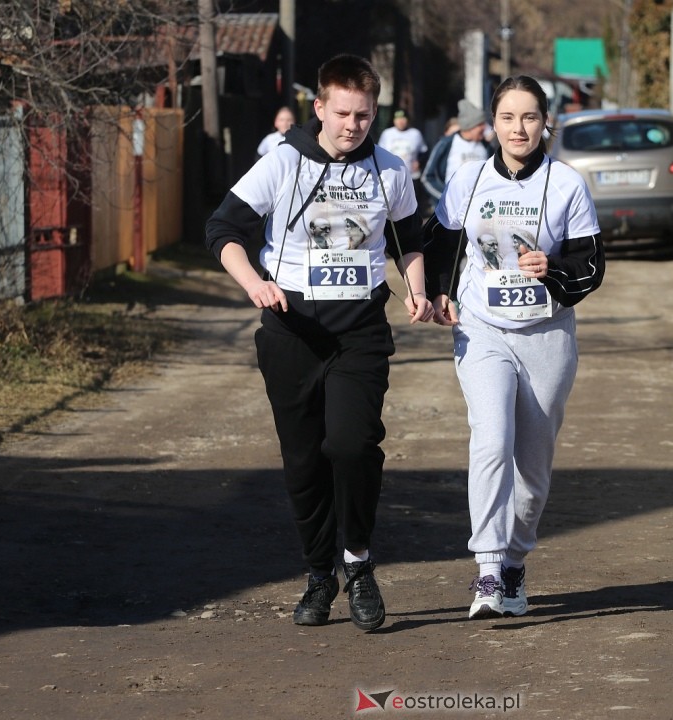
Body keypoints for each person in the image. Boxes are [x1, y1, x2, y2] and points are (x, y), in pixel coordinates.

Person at [205, 54, 434, 632]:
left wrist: (416, 290)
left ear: (375, 112)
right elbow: (223, 229)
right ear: (319, 108)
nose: (353, 125)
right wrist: (255, 282)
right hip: (292, 331)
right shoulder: (283, 163)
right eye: (342, 113)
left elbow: (409, 239)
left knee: (352, 446)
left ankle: (357, 562)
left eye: (363, 114)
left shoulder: (389, 170)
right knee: (304, 461)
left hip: (359, 331)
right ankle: (318, 575)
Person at [423, 76, 605, 620]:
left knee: (532, 465)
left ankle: (516, 562)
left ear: (545, 121)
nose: (518, 128)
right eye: (507, 117)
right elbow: (439, 241)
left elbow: (591, 265)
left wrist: (553, 270)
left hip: (547, 336)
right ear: (492, 123)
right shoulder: (469, 178)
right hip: (483, 329)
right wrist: (438, 292)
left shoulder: (567, 184)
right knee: (491, 440)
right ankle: (487, 568)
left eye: (529, 117)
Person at [421, 98, 494, 207]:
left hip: (478, 209)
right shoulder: (446, 144)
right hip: (450, 211)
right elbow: (427, 177)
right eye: (480, 124)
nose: (484, 128)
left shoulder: (486, 146)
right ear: (470, 126)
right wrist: (445, 197)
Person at [378, 109, 428, 186]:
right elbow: (379, 152)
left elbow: (424, 151)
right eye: (398, 118)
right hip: (391, 176)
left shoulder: (415, 133)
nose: (400, 121)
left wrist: (419, 162)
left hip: (411, 176)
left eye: (403, 118)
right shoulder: (387, 133)